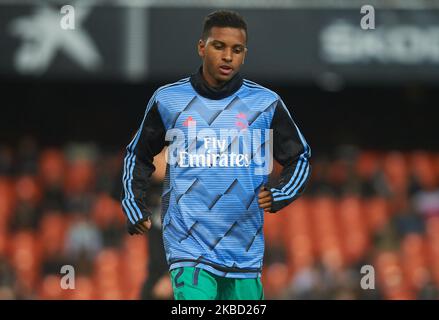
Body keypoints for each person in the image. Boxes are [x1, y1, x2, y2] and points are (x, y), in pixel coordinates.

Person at [120, 10, 311, 300]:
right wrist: (134, 203)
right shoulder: (169, 99)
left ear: (244, 55)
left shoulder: (266, 103)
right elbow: (138, 155)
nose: (227, 56)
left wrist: (282, 192)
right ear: (201, 47)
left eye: (237, 50)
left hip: (244, 252)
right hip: (188, 247)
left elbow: (300, 157)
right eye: (219, 46)